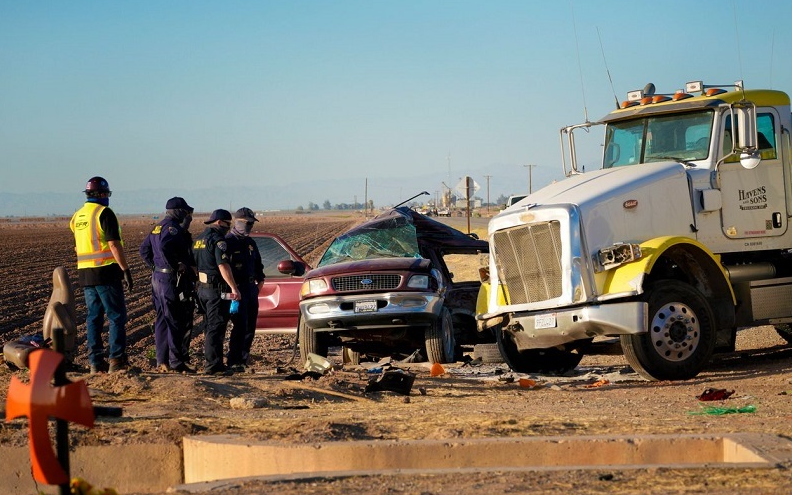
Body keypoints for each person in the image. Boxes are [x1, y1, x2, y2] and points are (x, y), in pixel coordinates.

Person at [69, 176, 133, 374]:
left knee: (93, 317)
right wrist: (125, 269)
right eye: (107, 194)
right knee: (116, 316)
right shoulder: (104, 213)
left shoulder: (78, 216)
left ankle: (95, 363)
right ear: (102, 194)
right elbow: (114, 244)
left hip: (85, 274)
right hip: (106, 272)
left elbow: (77, 246)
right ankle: (116, 360)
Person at [139, 197, 197, 373]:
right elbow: (165, 247)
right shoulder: (172, 229)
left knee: (162, 320)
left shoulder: (157, 227)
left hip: (158, 278)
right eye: (185, 212)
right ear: (177, 211)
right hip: (169, 280)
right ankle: (175, 362)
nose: (187, 215)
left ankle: (161, 361)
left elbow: (144, 250)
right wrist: (174, 266)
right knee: (173, 319)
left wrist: (155, 267)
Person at [193, 209, 241, 375]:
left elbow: (193, 266)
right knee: (216, 327)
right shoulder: (218, 240)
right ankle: (213, 366)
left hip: (203, 289)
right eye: (228, 225)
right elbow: (223, 265)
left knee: (209, 326)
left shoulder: (198, 240)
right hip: (216, 291)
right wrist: (234, 288)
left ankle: (214, 362)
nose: (228, 229)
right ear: (220, 222)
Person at [225, 207, 265, 371]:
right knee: (239, 326)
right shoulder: (228, 242)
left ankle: (243, 359)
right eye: (247, 223)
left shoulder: (250, 243)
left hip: (250, 289)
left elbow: (258, 265)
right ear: (238, 222)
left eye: (251, 224)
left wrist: (259, 283)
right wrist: (233, 289)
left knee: (250, 326)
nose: (250, 227)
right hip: (237, 289)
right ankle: (233, 359)